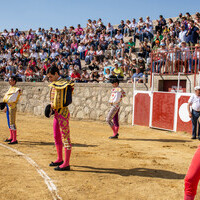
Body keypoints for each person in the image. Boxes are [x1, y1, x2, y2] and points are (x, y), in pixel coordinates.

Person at [47, 66, 74, 171]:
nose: (50, 79)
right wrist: (51, 107)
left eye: (51, 76)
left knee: (65, 137)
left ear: (57, 74)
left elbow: (67, 101)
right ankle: (60, 159)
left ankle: (66, 163)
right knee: (56, 136)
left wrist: (57, 106)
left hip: (63, 113)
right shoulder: (54, 84)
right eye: (49, 77)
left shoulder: (65, 83)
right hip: (57, 113)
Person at [2, 76, 22, 144]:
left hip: (12, 107)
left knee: (12, 122)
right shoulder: (11, 88)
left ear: (14, 81)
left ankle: (14, 139)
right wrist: (5, 106)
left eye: (10, 80)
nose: (9, 81)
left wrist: (5, 102)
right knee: (9, 122)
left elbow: (11, 99)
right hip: (8, 106)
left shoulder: (17, 89)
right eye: (9, 80)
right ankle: (11, 137)